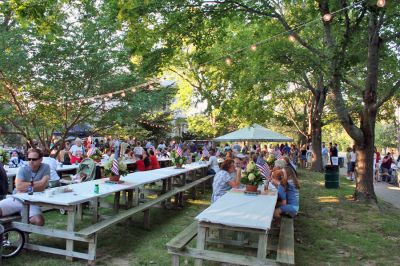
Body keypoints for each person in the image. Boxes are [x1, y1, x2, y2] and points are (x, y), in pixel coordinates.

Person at [0, 148, 49, 226]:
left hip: (32, 202)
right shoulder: (23, 168)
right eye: (29, 159)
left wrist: (26, 185)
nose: (31, 161)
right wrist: (39, 183)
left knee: (39, 221)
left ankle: (23, 235)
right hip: (17, 199)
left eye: (34, 159)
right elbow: (19, 187)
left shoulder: (45, 167)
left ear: (41, 159)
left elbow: (42, 187)